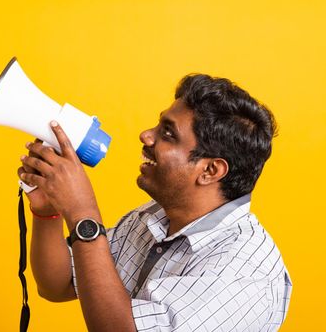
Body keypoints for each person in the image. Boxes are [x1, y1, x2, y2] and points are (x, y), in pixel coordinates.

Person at [18, 74, 292, 331]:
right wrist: (48, 213)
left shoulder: (242, 273)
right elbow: (58, 284)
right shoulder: (153, 219)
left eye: (168, 133)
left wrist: (82, 213)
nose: (146, 135)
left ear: (210, 171)